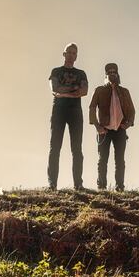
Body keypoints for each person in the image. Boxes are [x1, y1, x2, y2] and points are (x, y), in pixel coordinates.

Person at [47, 43, 88, 191]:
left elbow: (84, 91)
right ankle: (52, 184)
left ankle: (78, 184)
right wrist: (74, 89)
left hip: (75, 112)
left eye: (74, 53)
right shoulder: (56, 71)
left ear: (76, 56)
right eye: (68, 52)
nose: (71, 55)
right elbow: (54, 89)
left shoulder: (81, 73)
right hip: (59, 110)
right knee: (55, 147)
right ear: (63, 54)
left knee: (77, 149)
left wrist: (65, 91)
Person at [89, 63, 135, 191]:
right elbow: (92, 107)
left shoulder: (125, 91)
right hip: (104, 129)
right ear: (106, 75)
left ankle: (120, 187)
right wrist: (97, 126)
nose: (112, 73)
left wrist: (128, 123)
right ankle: (102, 186)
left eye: (114, 71)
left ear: (118, 74)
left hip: (120, 129)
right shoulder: (99, 90)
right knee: (102, 159)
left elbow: (132, 110)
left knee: (120, 160)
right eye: (109, 72)